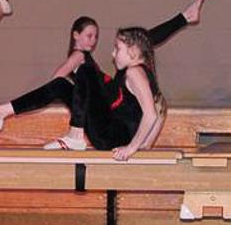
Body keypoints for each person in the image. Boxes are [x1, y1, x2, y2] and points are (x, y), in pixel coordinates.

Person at [0, 0, 206, 131]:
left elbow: (59, 83)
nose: (93, 40)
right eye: (89, 35)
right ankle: (185, 16)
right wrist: (76, 103)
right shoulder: (79, 56)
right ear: (75, 35)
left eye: (96, 36)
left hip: (109, 100)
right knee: (141, 42)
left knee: (141, 42)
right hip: (106, 103)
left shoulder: (86, 59)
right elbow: (57, 77)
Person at [43, 27, 164, 161]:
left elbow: (151, 114)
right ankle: (74, 136)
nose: (113, 53)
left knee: (83, 72)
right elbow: (160, 111)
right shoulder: (148, 76)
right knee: (68, 86)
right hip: (118, 137)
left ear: (133, 52)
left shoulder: (133, 72)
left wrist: (131, 148)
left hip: (110, 138)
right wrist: (144, 146)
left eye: (117, 48)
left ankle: (75, 136)